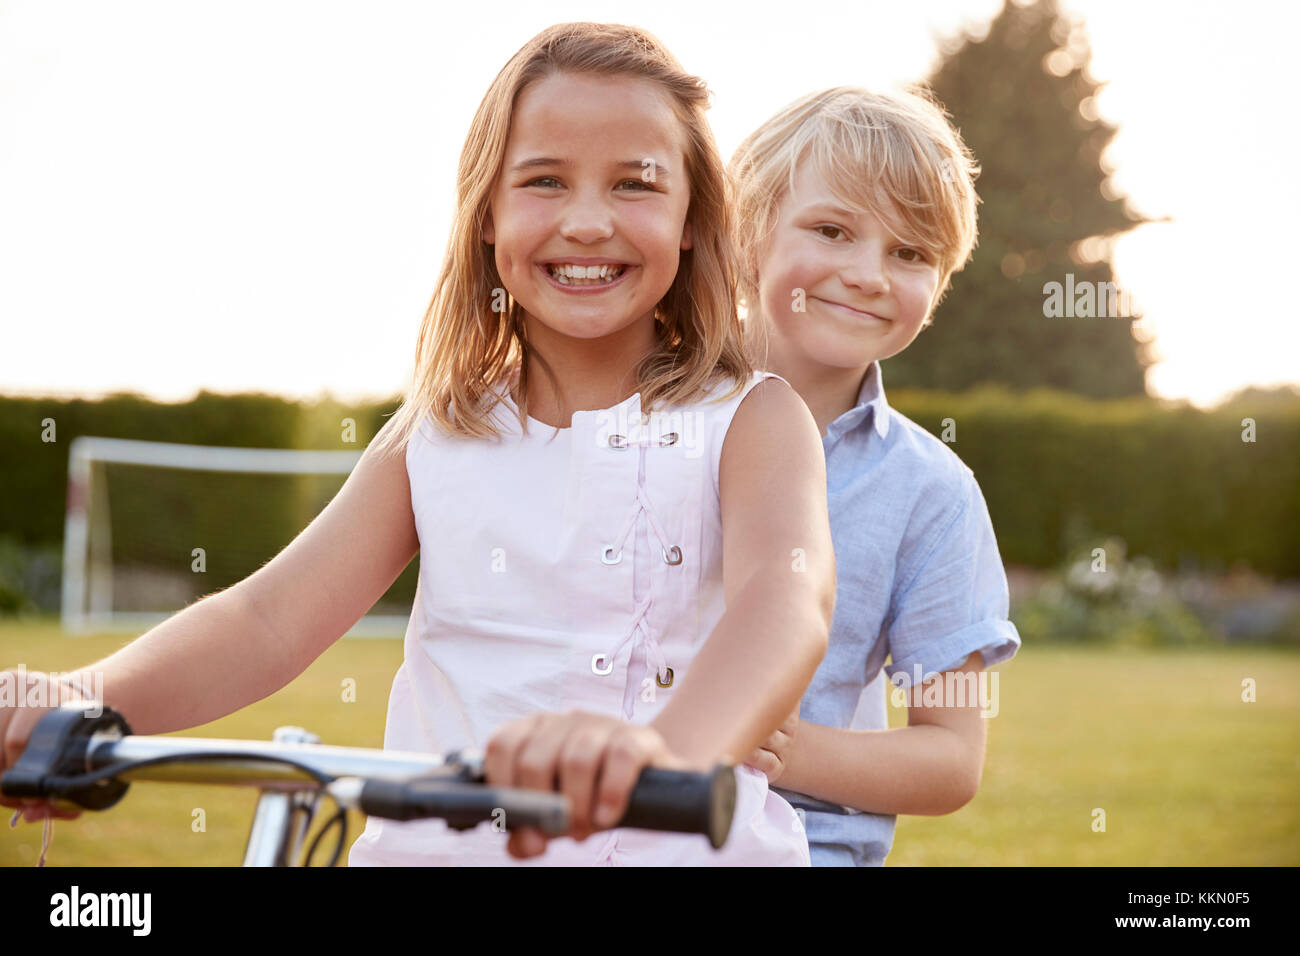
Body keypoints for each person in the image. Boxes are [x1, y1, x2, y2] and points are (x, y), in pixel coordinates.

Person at [0, 23, 834, 867]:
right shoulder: (438, 430)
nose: (588, 221)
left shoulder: (752, 419)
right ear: (486, 215)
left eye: (635, 185)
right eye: (544, 181)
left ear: (692, 219)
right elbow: (270, 619)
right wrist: (79, 696)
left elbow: (786, 602)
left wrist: (662, 754)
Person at [730, 86, 1022, 866]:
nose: (868, 274)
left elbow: (951, 758)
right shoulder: (640, 416)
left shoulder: (934, 493)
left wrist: (782, 750)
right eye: (832, 230)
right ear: (747, 233)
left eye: (911, 253)